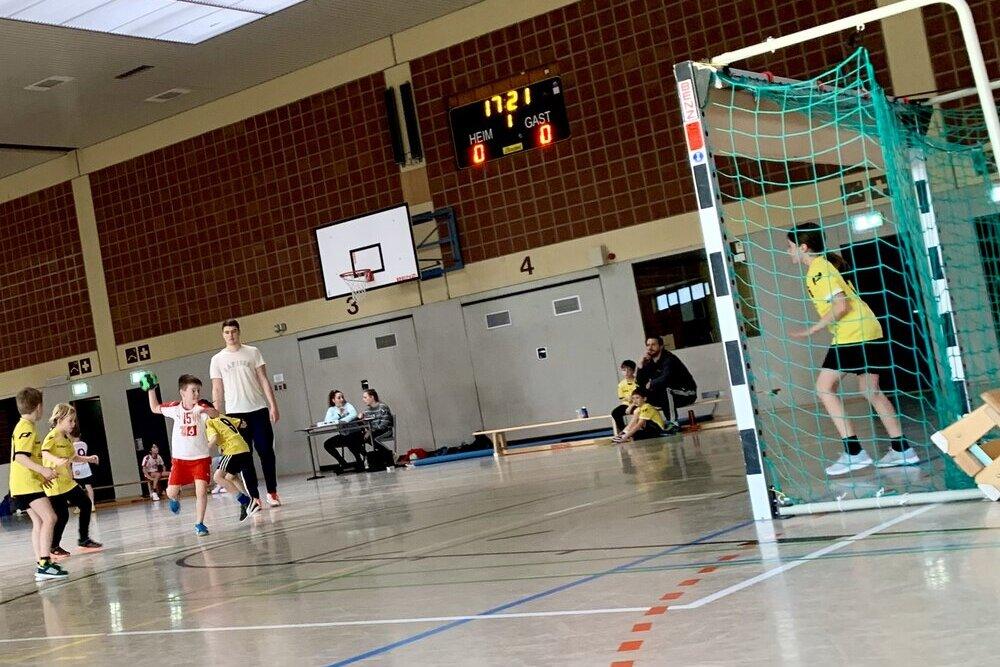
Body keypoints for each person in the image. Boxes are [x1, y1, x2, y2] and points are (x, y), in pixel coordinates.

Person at [786, 223, 919, 475]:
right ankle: (902, 450)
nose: (789, 252)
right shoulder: (826, 265)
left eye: (790, 247)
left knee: (824, 387)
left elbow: (841, 305)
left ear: (803, 247)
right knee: (871, 390)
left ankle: (854, 452)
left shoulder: (817, 269)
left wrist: (812, 330)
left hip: (853, 333)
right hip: (870, 328)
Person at [210, 319, 282, 506]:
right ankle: (254, 497)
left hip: (258, 409)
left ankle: (272, 492)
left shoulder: (253, 352)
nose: (231, 335)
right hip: (235, 415)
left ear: (239, 332)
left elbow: (264, 379)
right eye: (227, 332)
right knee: (245, 457)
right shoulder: (217, 359)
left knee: (266, 452)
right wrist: (216, 416)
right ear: (222, 334)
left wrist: (273, 405)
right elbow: (217, 389)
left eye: (233, 331)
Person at [146, 373, 219, 536]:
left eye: (198, 391)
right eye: (193, 391)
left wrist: (206, 409)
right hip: (180, 461)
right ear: (182, 392)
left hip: (200, 459)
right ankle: (174, 499)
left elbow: (216, 414)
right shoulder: (174, 408)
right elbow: (155, 408)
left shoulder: (201, 407)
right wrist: (151, 390)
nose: (197, 394)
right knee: (170, 492)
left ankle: (199, 524)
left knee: (201, 491)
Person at [8, 387, 66, 581]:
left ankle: (41, 562)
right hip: (26, 484)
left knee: (39, 521)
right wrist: (43, 471)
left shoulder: (23, 425)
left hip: (23, 483)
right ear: (39, 407)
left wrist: (42, 477)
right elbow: (20, 458)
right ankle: (44, 563)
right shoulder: (26, 427)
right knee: (50, 518)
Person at [42, 404, 102, 558]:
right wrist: (56, 460)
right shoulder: (53, 435)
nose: (73, 424)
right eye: (70, 421)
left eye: (74, 421)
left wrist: (89, 458)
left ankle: (84, 539)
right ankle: (53, 546)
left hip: (67, 482)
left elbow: (72, 457)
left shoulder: (66, 439)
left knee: (86, 503)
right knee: (62, 516)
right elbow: (44, 452)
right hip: (55, 484)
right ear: (60, 419)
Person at [205, 411, 262, 523]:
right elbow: (243, 423)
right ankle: (249, 504)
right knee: (230, 477)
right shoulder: (223, 417)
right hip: (244, 448)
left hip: (233, 450)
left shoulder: (209, 422)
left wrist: (205, 448)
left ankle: (246, 501)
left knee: (217, 477)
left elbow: (215, 438)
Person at [635, 336, 697, 428]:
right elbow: (640, 383)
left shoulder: (669, 359)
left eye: (653, 344)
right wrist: (640, 366)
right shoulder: (649, 361)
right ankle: (649, 425)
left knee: (667, 390)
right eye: (648, 345)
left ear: (661, 346)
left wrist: (651, 384)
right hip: (666, 395)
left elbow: (666, 378)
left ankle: (673, 423)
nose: (650, 347)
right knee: (643, 395)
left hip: (687, 393)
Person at [321, 389, 365, 475]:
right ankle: (343, 462)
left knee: (349, 439)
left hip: (355, 433)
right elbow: (327, 421)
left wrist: (343, 420)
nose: (341, 399)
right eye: (339, 398)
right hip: (344, 434)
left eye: (342, 397)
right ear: (333, 400)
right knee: (327, 444)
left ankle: (359, 461)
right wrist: (340, 416)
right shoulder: (331, 409)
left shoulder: (348, 405)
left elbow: (353, 414)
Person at [360, 388, 394, 471]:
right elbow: (368, 426)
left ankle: (389, 454)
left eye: (365, 397)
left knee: (371, 438)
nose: (363, 400)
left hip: (386, 430)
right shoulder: (367, 411)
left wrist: (370, 430)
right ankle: (387, 455)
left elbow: (384, 425)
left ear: (372, 397)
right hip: (374, 431)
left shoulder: (382, 407)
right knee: (360, 439)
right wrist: (363, 420)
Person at [70, 426, 95, 512]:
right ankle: (92, 504)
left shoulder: (71, 446)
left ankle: (80, 506)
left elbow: (72, 457)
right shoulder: (84, 444)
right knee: (88, 486)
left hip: (77, 468)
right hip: (86, 467)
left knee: (79, 488)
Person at [612, 360, 638, 433]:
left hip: (638, 404)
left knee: (638, 411)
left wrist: (632, 404)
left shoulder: (638, 381)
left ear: (633, 371)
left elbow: (641, 396)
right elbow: (622, 397)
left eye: (629, 370)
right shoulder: (621, 384)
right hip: (626, 404)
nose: (626, 372)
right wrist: (627, 398)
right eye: (624, 370)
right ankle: (624, 431)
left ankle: (635, 431)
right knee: (615, 412)